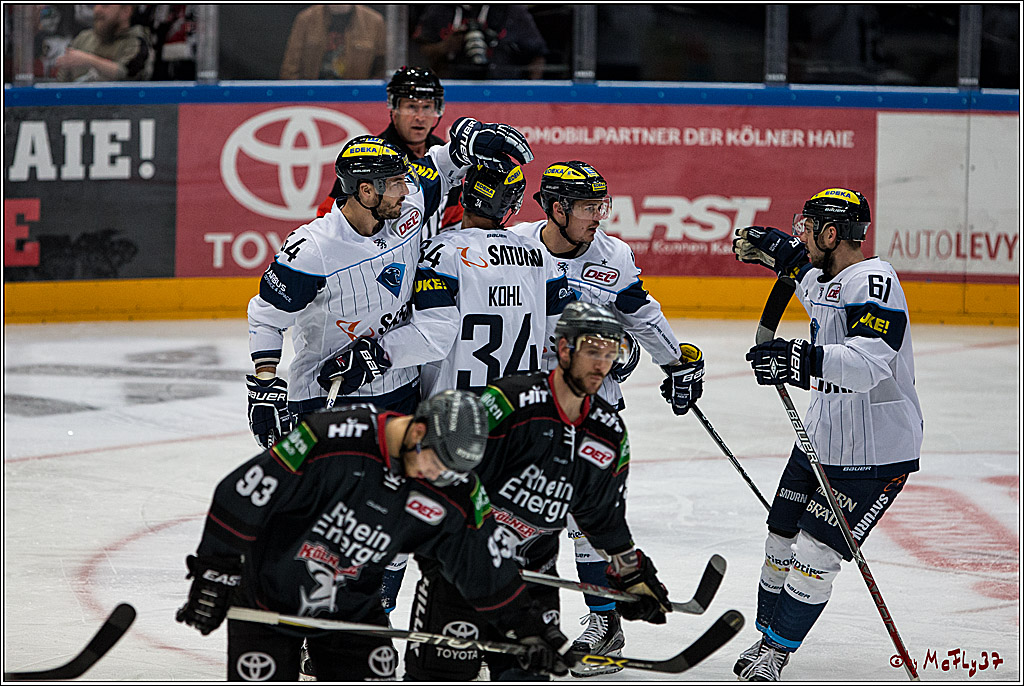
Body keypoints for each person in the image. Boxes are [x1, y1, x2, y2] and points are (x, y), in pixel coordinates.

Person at [175, 389, 572, 681]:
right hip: (267, 599)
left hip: (355, 611)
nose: (440, 477)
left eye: (452, 471)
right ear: (418, 430)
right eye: (437, 462)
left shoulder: (451, 490)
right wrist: (215, 572)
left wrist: (526, 626)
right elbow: (242, 494)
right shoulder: (332, 437)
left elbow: (481, 564)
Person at [403, 302, 675, 680]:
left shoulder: (608, 432)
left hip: (534, 576)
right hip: (463, 572)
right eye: (592, 351)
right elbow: (449, 478)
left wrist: (628, 570)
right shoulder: (507, 402)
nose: (602, 365)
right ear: (564, 349)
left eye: (611, 354)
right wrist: (443, 551)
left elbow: (602, 516)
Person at [510, 160, 706, 676]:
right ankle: (523, 619)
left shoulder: (614, 254)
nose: (599, 216)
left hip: (594, 406)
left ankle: (605, 621)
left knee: (585, 521)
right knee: (522, 518)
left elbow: (641, 312)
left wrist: (677, 361)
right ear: (556, 209)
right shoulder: (515, 246)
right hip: (531, 407)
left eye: (603, 205)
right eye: (588, 207)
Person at [730, 188, 923, 680]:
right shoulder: (825, 274)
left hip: (874, 454)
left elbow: (866, 366)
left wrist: (797, 359)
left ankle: (778, 650)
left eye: (809, 226)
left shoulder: (874, 282)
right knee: (779, 535)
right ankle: (768, 633)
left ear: (831, 234)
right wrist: (773, 245)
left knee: (816, 552)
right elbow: (801, 269)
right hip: (820, 437)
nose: (802, 234)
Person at [245, 118, 533, 447]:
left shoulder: (406, 209)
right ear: (366, 190)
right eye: (396, 182)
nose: (406, 189)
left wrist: (465, 147)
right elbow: (267, 317)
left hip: (401, 389)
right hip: (329, 394)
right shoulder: (312, 250)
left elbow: (439, 166)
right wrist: (265, 384)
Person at [315, 66, 464, 239]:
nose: (420, 117)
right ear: (394, 108)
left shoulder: (442, 157)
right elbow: (327, 221)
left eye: (428, 107)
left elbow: (453, 218)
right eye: (411, 106)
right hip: (378, 262)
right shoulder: (371, 159)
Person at [413, 5, 547, 80]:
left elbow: (538, 54)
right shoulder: (439, 9)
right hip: (453, 91)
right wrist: (446, 46)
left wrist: (532, 93)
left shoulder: (511, 10)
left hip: (503, 92)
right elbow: (420, 51)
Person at [279, 5, 385, 81]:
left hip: (356, 98)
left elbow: (382, 70)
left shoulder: (374, 22)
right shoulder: (306, 19)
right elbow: (290, 69)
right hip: (312, 97)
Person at [54, 4, 152, 82]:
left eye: (105, 5)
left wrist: (90, 61)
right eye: (96, 5)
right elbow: (61, 81)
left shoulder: (136, 42)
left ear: (125, 11)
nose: (97, 10)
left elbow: (128, 74)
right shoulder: (83, 38)